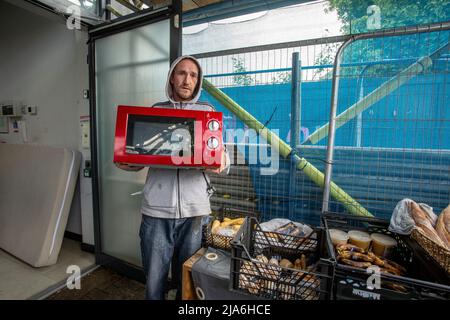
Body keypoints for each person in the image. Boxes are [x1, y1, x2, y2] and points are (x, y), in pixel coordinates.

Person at [115, 55, 229, 300]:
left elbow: (222, 155)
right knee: (154, 281)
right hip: (156, 210)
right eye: (181, 73)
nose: (187, 80)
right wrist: (127, 163)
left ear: (198, 81)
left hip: (194, 210)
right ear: (171, 78)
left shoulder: (208, 112)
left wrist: (221, 161)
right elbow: (143, 155)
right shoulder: (156, 111)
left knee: (186, 282)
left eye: (193, 75)